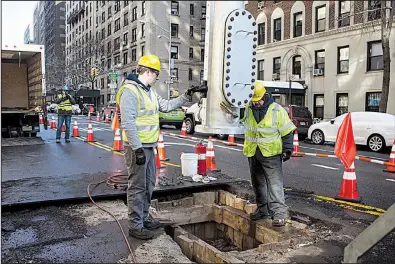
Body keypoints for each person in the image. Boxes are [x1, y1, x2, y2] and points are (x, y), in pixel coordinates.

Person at [116, 54, 204, 240]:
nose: (157, 78)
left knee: (148, 185)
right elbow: (128, 124)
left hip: (148, 146)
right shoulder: (130, 91)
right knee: (137, 187)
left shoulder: (148, 91)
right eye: (156, 74)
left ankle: (144, 217)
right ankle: (135, 225)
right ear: (148, 72)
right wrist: (137, 148)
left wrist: (186, 96)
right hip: (137, 148)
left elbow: (166, 106)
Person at [240, 81, 296, 227]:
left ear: (264, 95)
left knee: (275, 184)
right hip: (253, 151)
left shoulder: (277, 110)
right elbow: (238, 119)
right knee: (258, 184)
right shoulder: (248, 107)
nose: (256, 103)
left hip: (271, 153)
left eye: (258, 100)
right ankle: (263, 210)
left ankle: (279, 213)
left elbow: (287, 131)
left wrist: (287, 149)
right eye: (254, 101)